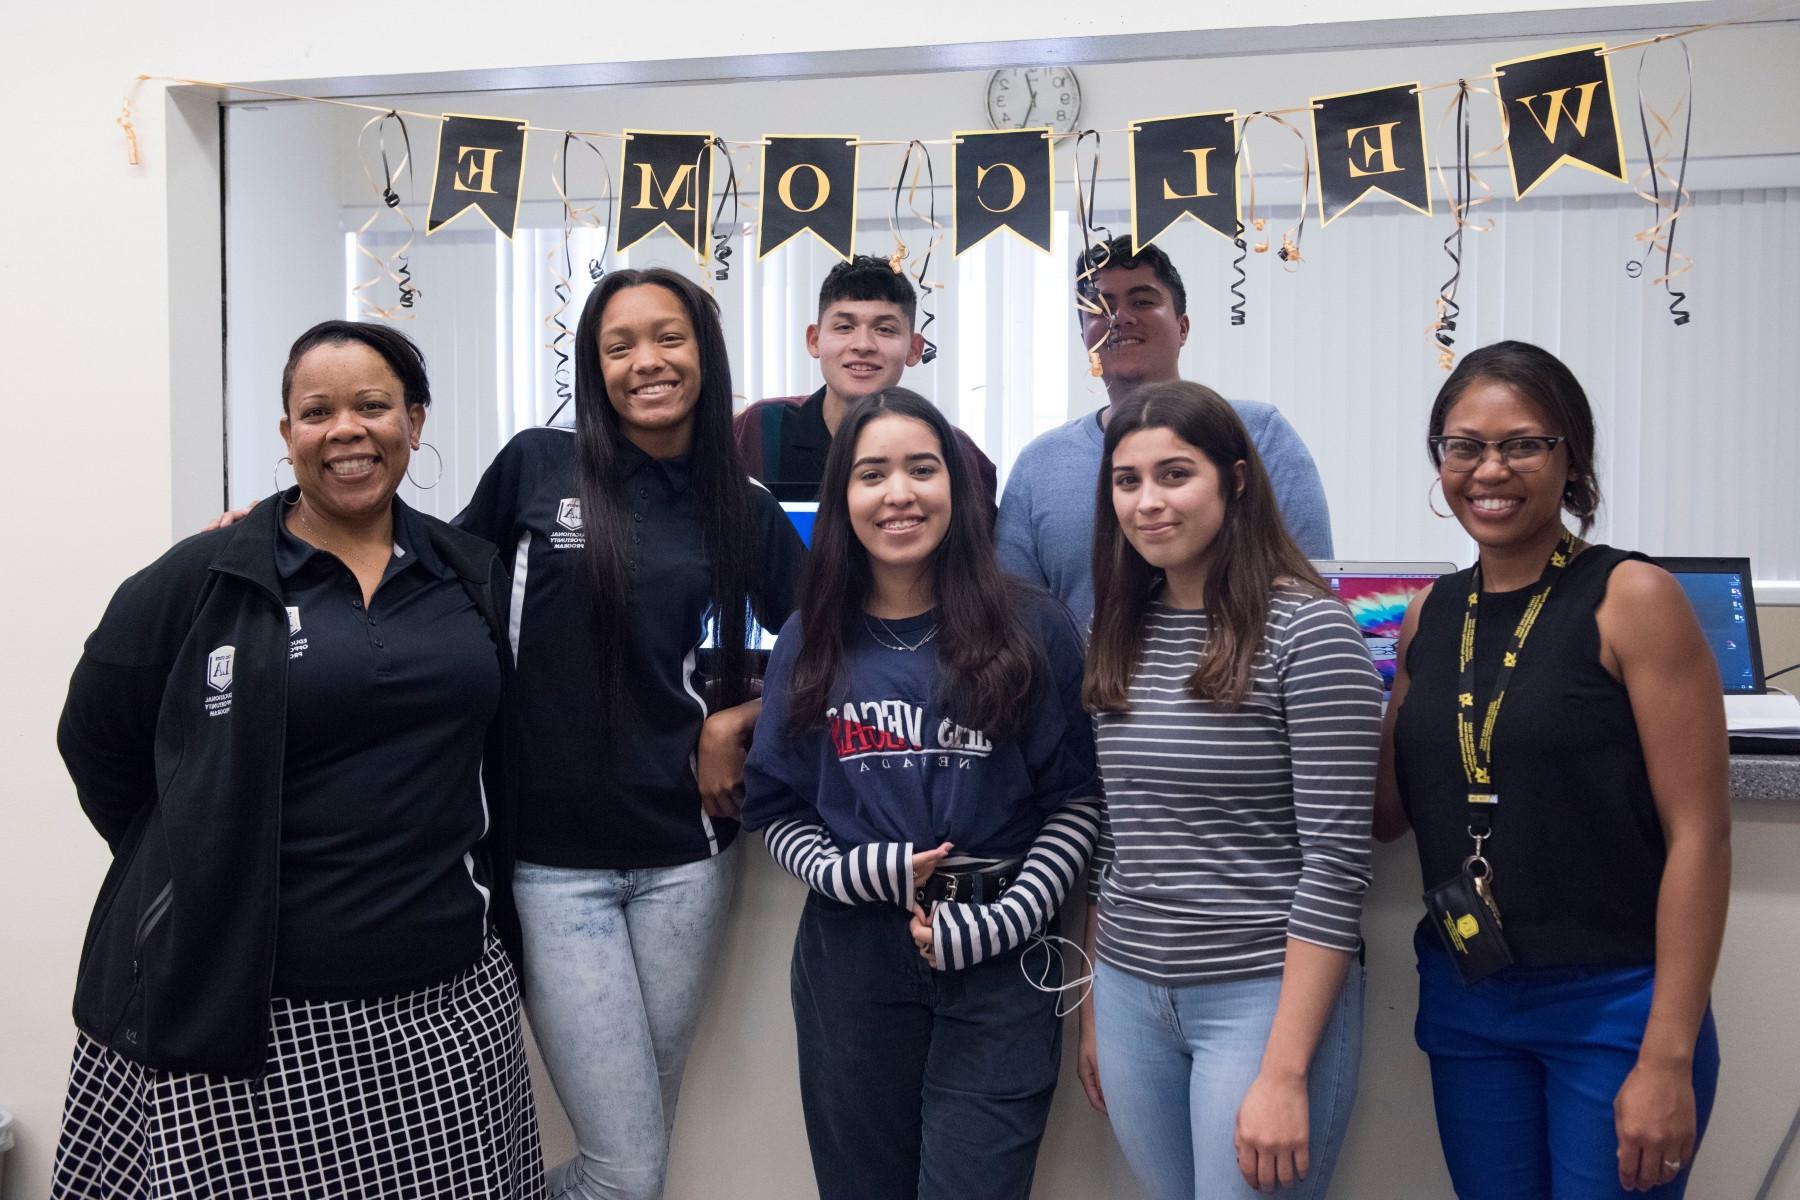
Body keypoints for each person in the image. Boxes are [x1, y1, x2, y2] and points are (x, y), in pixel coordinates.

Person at [51, 321, 542, 1199]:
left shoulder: (466, 571)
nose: (346, 430)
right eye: (317, 411)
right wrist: (196, 858)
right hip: (254, 1013)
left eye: (373, 405)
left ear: (415, 422)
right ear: (287, 436)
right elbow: (99, 740)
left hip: (450, 1007)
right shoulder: (207, 577)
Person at [454, 268, 805, 1200]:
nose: (647, 361)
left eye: (669, 338)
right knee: (627, 1170)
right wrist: (286, 530)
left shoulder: (743, 505)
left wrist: (744, 717)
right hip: (550, 865)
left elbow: (837, 639)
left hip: (685, 862)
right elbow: (425, 580)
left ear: (705, 353)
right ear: (595, 366)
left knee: (639, 1149)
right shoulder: (537, 466)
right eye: (620, 345)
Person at [1376, 341, 1729, 1199]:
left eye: (1522, 444)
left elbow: (1702, 837)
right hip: (1470, 995)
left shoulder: (1632, 597)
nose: (1489, 470)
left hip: (1615, 1007)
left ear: (1571, 457)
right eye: (1464, 446)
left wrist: (1667, 1052)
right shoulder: (1433, 610)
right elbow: (1386, 812)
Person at [741, 389, 1101, 1200]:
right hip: (853, 957)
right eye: (872, 474)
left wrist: (1007, 919)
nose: (898, 493)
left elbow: (1077, 803)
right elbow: (774, 805)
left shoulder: (1032, 627)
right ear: (842, 499)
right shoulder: (811, 635)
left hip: (1004, 954)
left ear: (958, 489)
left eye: (921, 469)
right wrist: (854, 873)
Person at [1077, 381, 1379, 1199]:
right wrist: (1101, 1002)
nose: (1147, 503)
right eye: (1127, 480)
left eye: (1176, 475)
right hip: (1133, 994)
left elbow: (1337, 868)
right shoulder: (1120, 629)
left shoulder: (1309, 632)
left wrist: (1284, 1074)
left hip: (1259, 1002)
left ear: (1236, 481)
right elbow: (1118, 835)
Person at [997, 236, 1332, 627]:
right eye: (1099, 308)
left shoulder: (1258, 434)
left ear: (1182, 327)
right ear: (1084, 334)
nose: (1119, 318)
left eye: (1142, 301)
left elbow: (1309, 585)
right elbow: (1015, 621)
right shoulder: (1041, 464)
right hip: (1087, 685)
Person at [732, 254, 998, 508]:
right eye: (844, 327)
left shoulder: (955, 451)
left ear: (915, 349)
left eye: (884, 329)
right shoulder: (760, 429)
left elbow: (973, 551)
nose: (863, 345)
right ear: (814, 341)